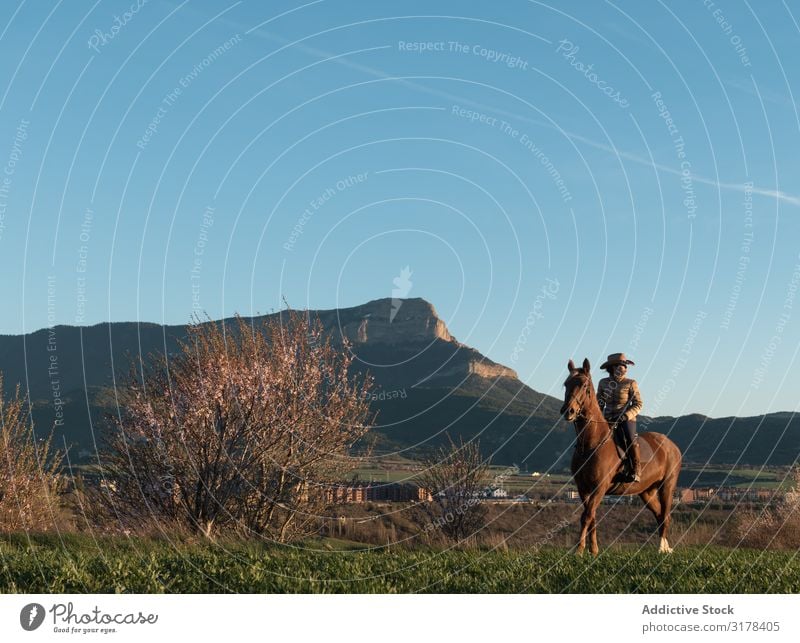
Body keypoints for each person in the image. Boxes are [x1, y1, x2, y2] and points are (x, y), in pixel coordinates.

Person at [596, 353, 643, 482]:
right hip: (607, 418)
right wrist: (598, 417)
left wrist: (626, 415)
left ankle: (636, 468)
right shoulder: (603, 383)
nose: (623, 367)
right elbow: (599, 403)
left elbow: (638, 404)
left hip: (626, 418)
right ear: (612, 368)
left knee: (629, 438)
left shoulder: (631, 383)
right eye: (620, 365)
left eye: (624, 365)